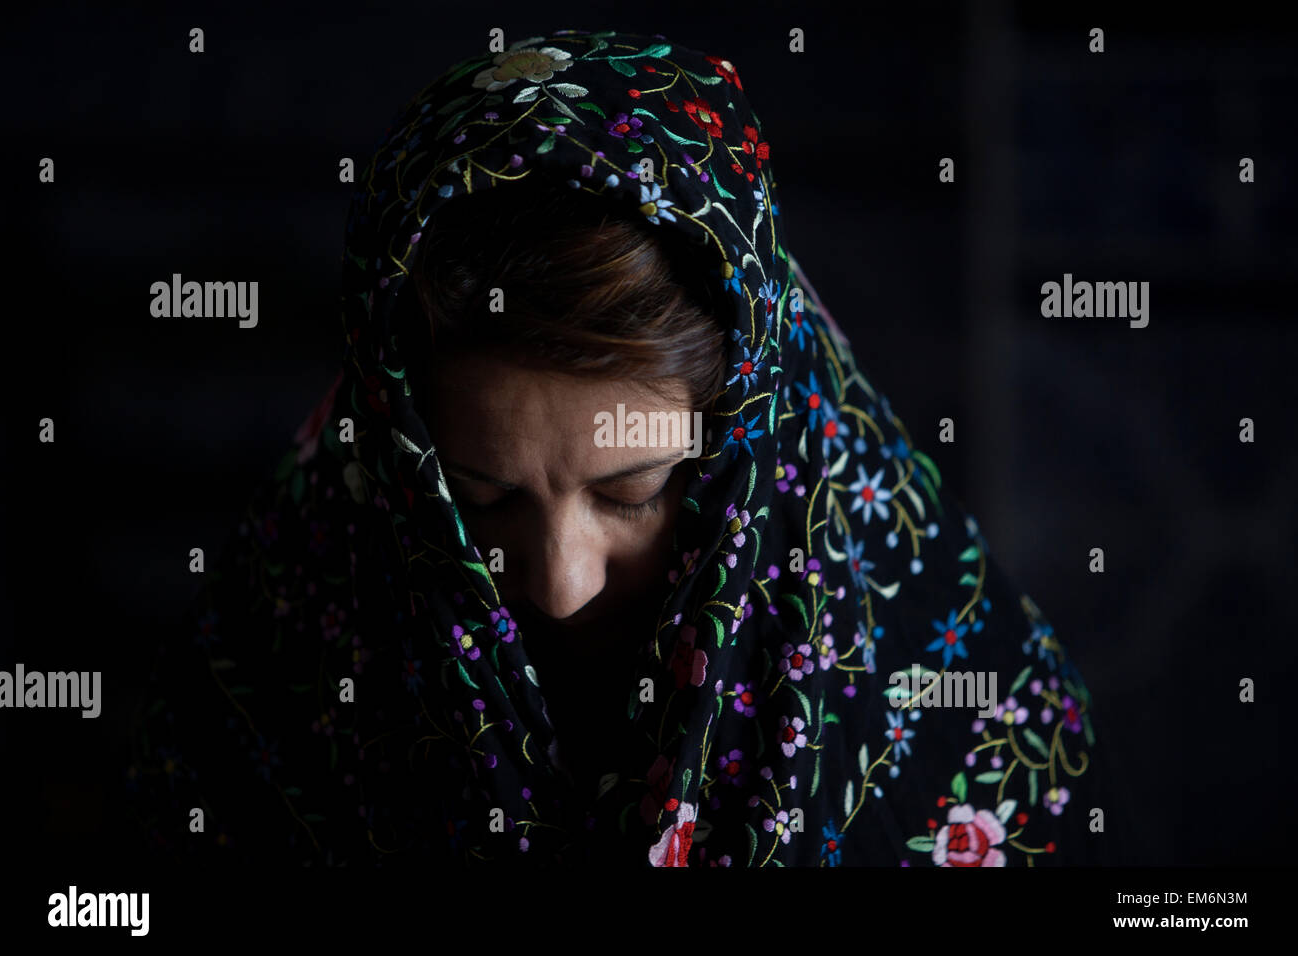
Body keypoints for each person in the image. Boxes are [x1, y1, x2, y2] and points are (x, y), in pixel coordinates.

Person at [126, 28, 1115, 867]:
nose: (560, 585)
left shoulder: (975, 732)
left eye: (633, 489)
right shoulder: (264, 678)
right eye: (476, 498)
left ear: (739, 432)